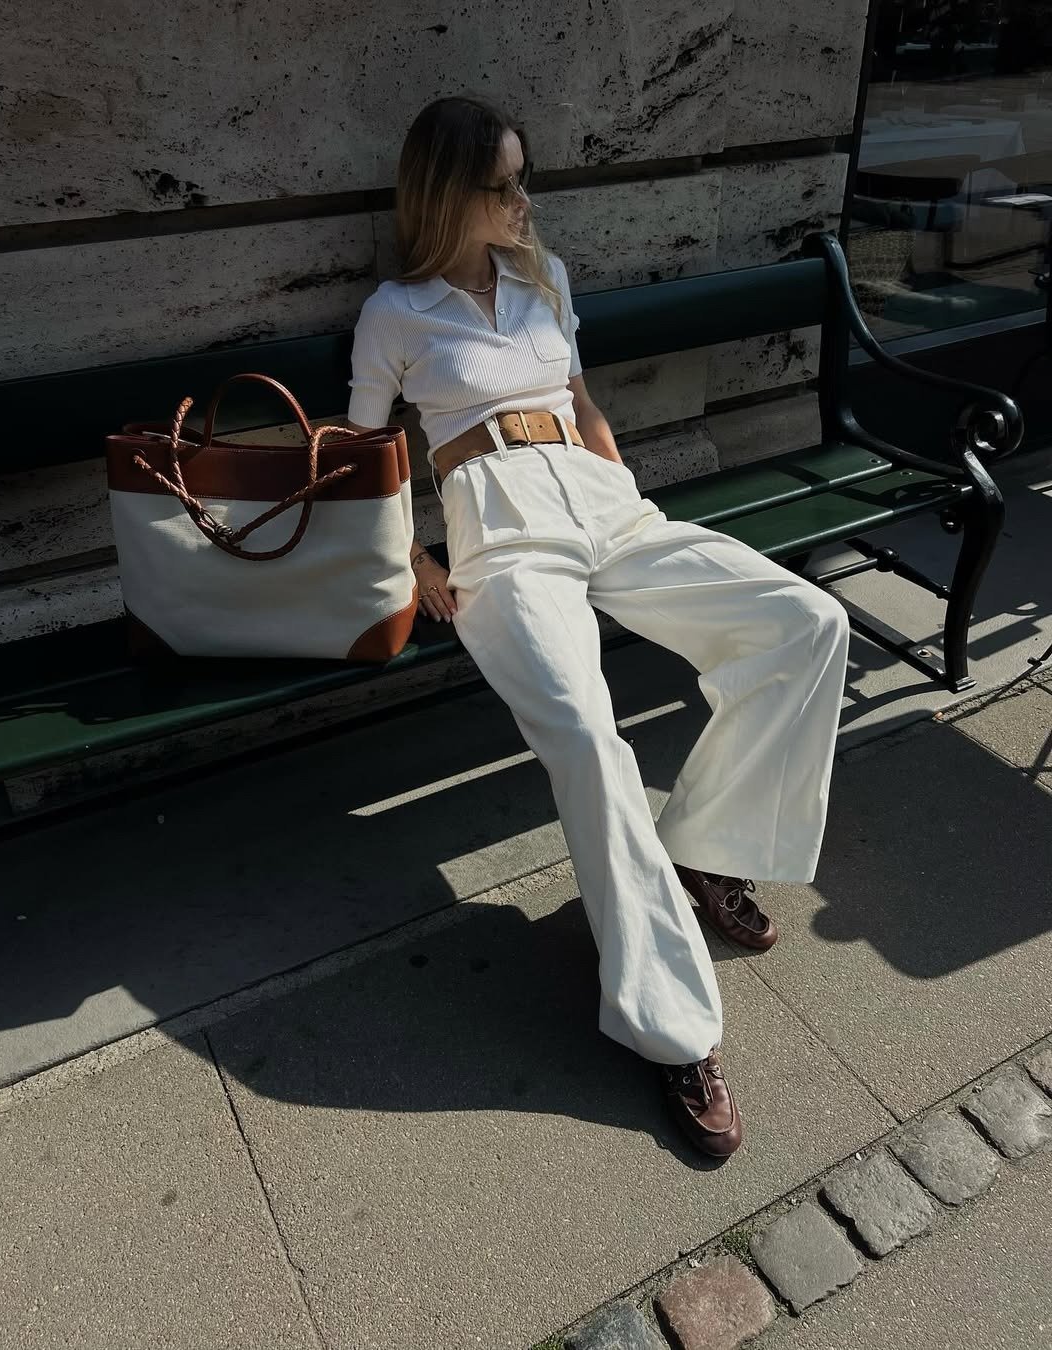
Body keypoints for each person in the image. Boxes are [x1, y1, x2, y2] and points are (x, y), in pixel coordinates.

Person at [345, 94, 849, 1161]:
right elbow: (360, 453)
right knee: (585, 735)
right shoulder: (396, 312)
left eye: (524, 179)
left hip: (605, 507)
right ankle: (676, 1030)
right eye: (503, 186)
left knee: (806, 622)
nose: (525, 201)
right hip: (501, 531)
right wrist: (413, 557)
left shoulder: (545, 280)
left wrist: (630, 502)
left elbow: (580, 403)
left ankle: (707, 849)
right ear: (448, 196)